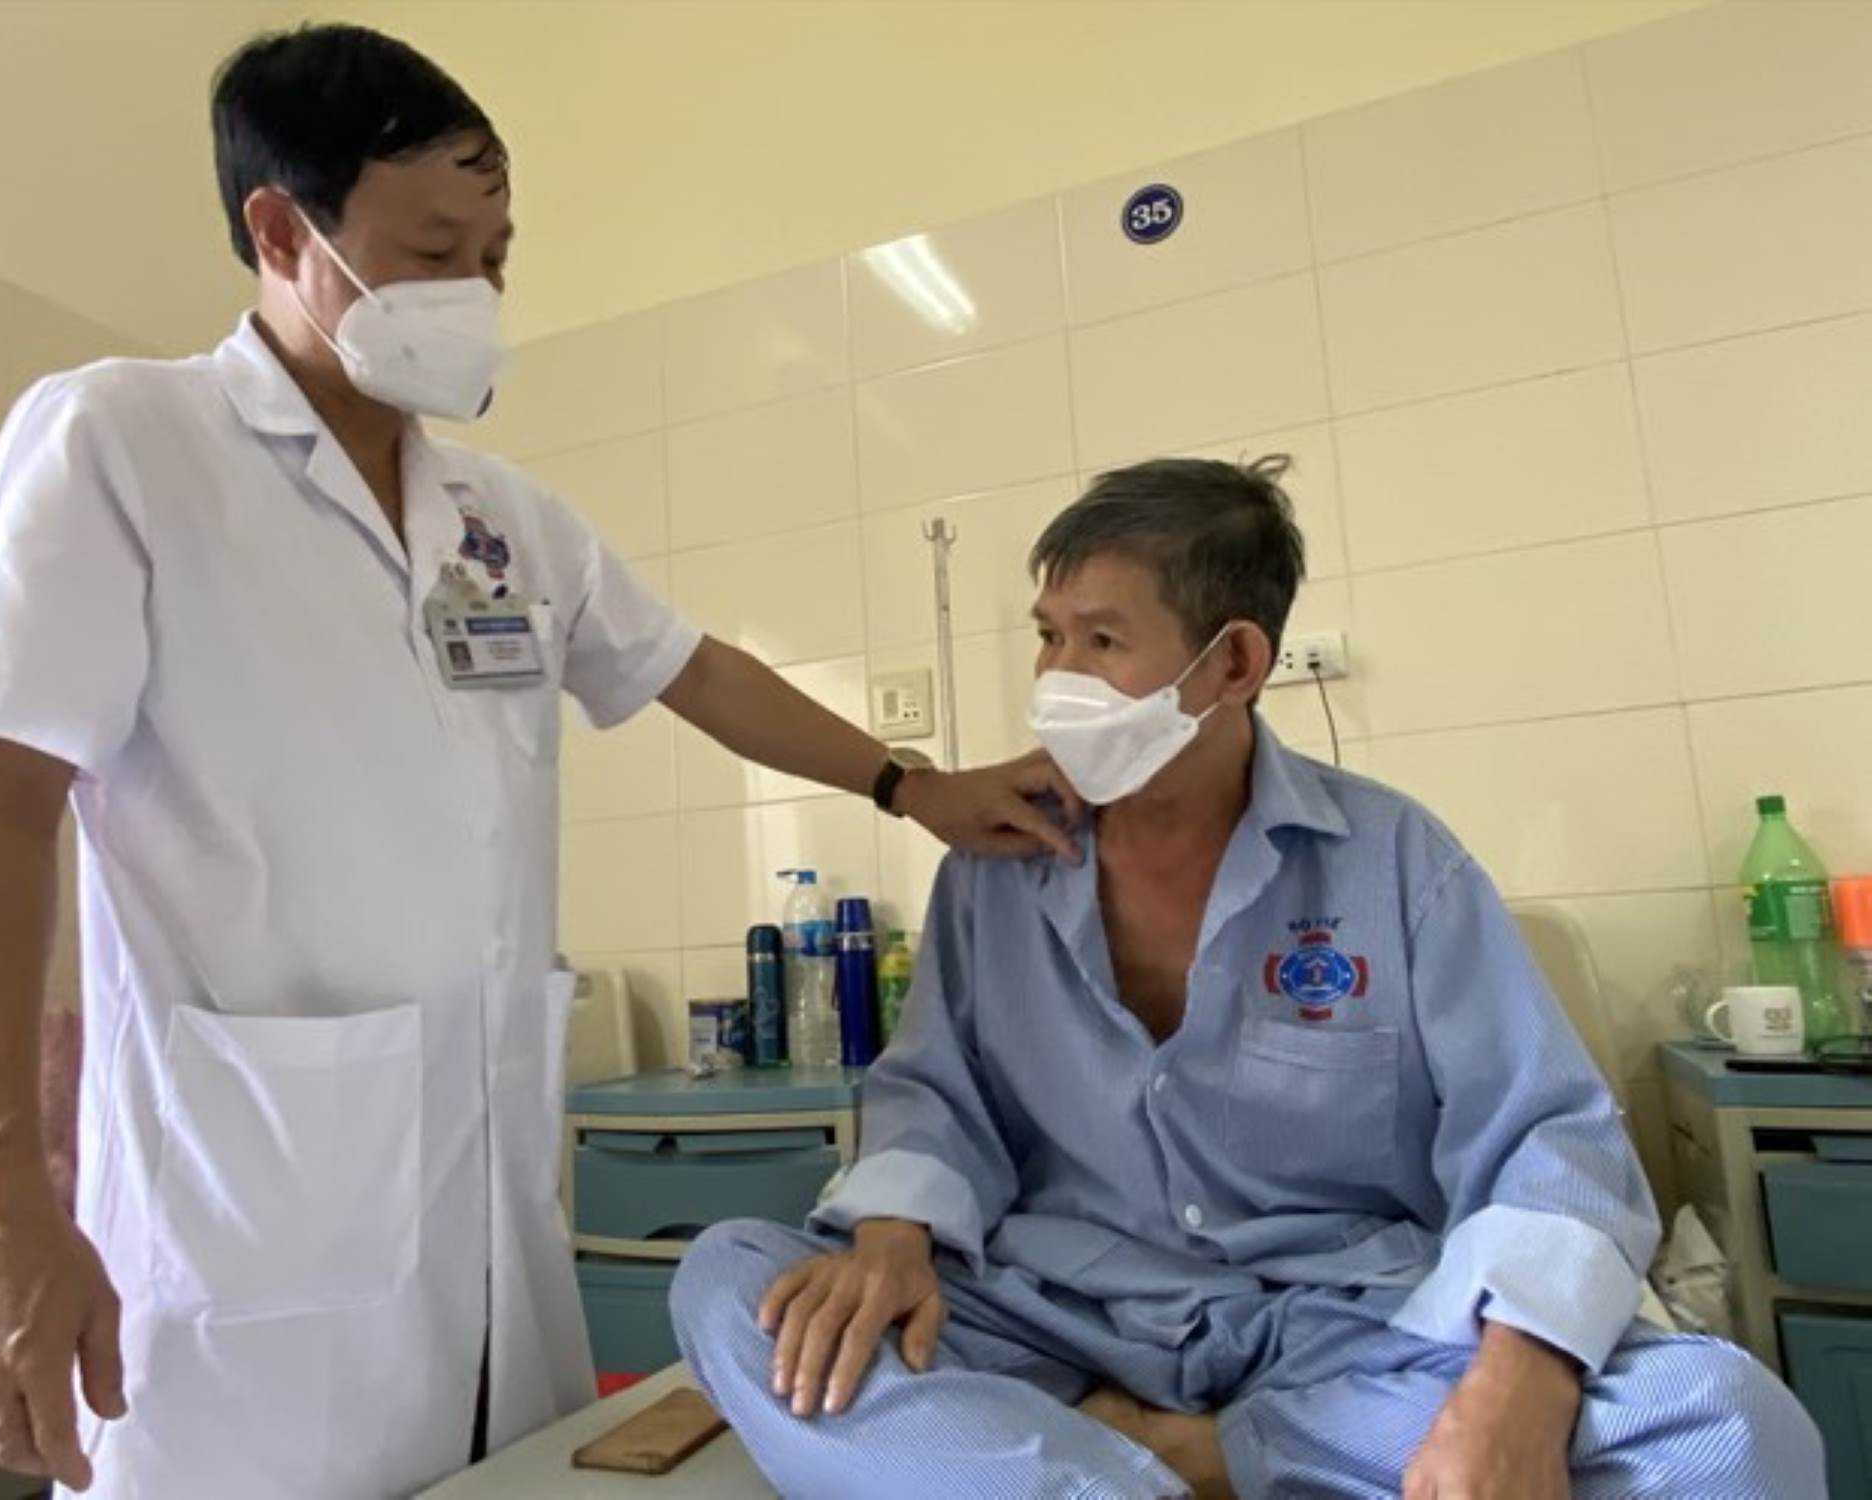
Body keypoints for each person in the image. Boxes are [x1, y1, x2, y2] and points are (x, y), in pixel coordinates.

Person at [0, 24, 1082, 1500]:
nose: (478, 291)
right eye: (435, 247)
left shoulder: (499, 514)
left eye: (498, 254)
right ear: (282, 229)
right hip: (249, 1229)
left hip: (489, 1232)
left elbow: (693, 669)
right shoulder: (123, 441)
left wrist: (911, 787)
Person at [672, 457, 1825, 1498]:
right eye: (1046, 636)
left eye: (1102, 641)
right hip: (1054, 1321)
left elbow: (1545, 1138)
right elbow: (936, 1098)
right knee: (728, 1281)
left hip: (1342, 1331)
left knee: (1726, 1430)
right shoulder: (996, 869)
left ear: (1230, 661)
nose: (1055, 679)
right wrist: (892, 1235)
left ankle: (1169, 1457)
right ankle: (1134, 1479)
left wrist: (1519, 1377)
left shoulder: (1395, 863)